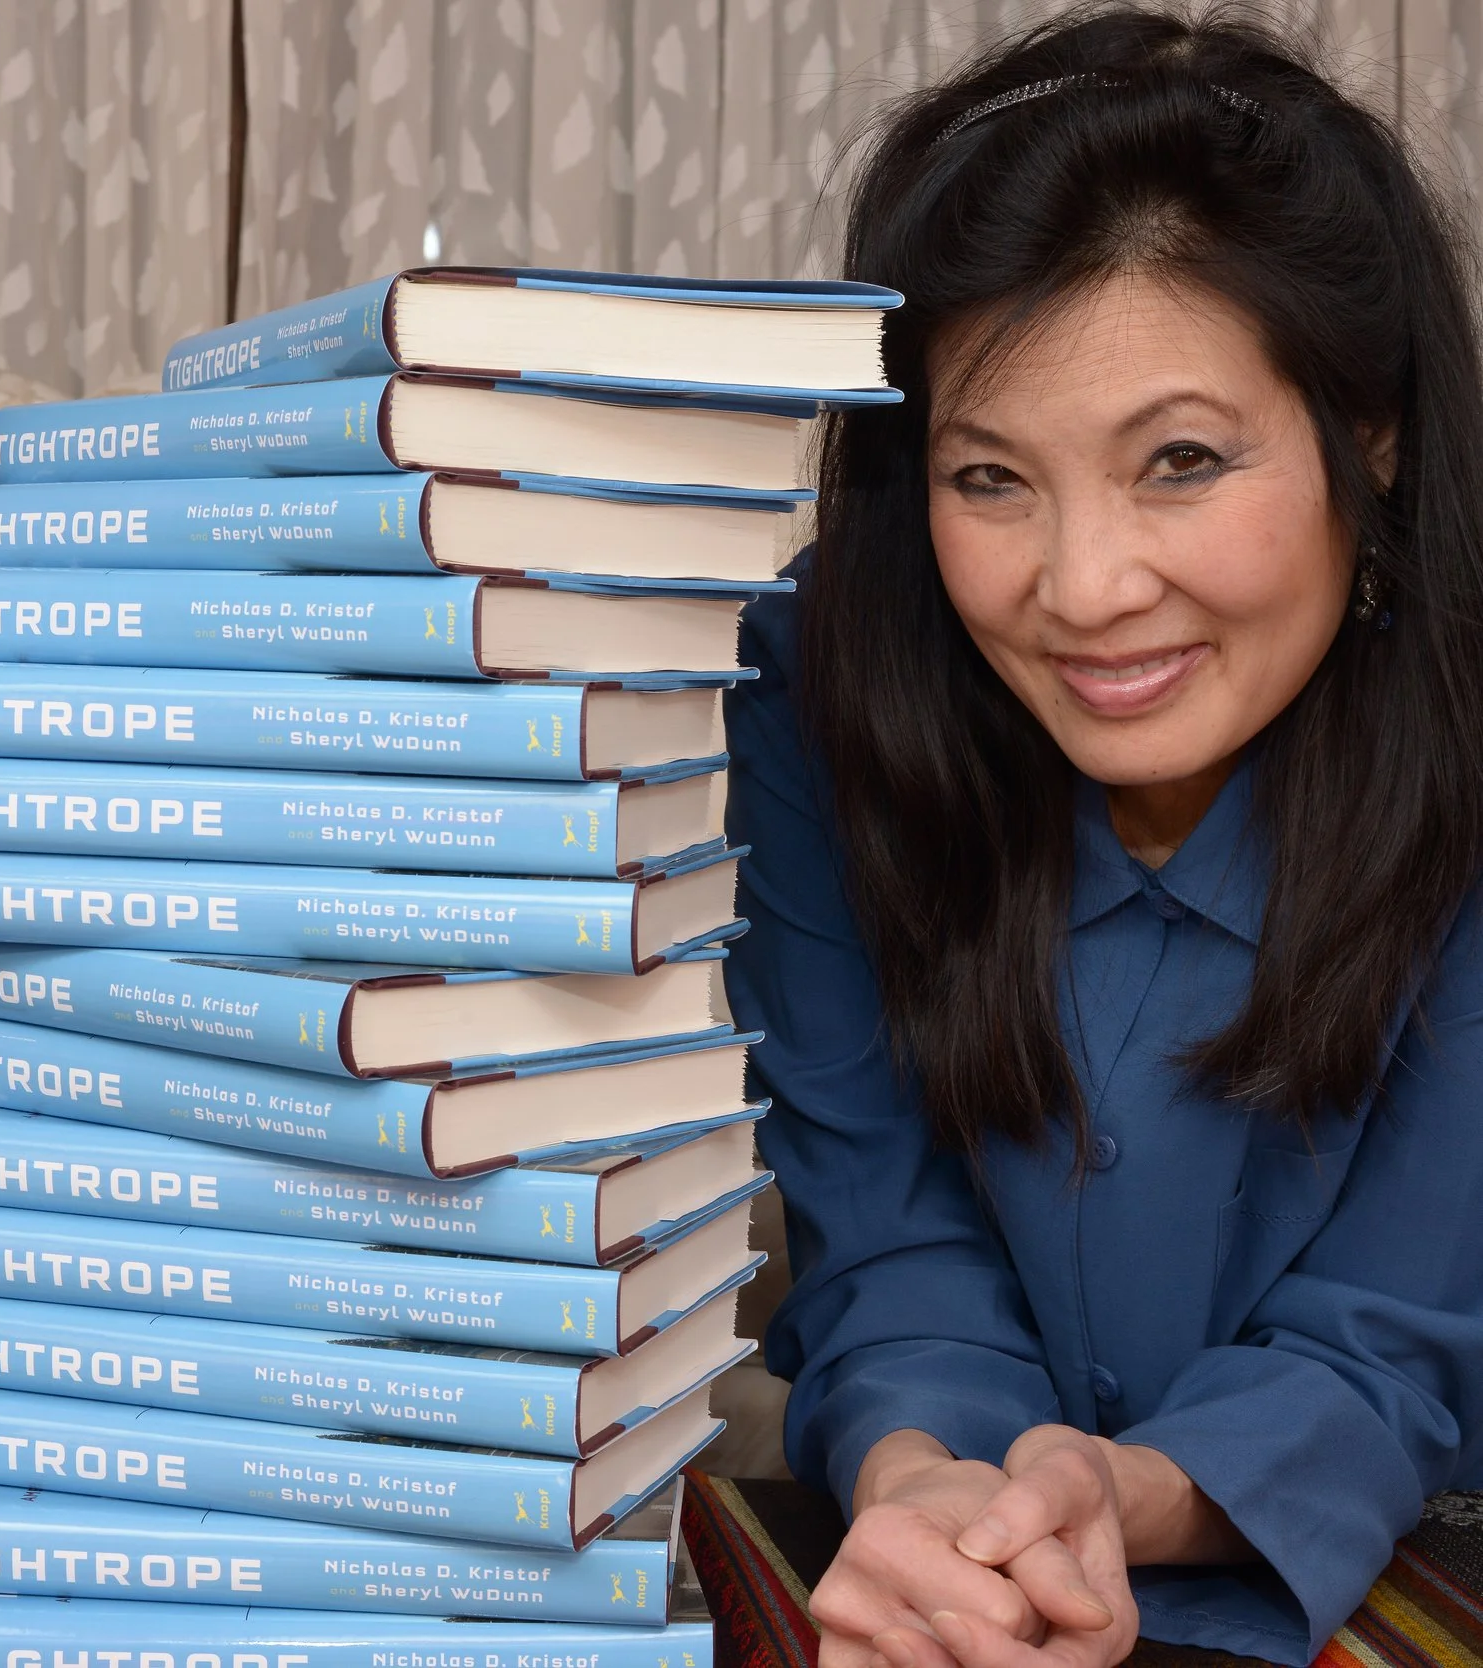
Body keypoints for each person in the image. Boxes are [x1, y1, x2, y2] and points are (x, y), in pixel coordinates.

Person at [726, 9, 1483, 1668]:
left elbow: (1399, 1342)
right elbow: (888, 1235)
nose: (1082, 589)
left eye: (1183, 463)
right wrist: (934, 1483)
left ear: (1374, 434)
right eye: (989, 478)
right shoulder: (811, 684)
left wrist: (1117, 1494)